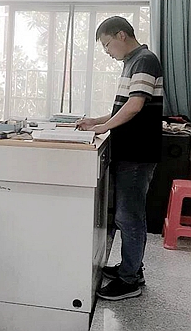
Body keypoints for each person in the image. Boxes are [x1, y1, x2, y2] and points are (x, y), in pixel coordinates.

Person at [77, 16, 163, 301]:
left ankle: (129, 281)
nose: (107, 51)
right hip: (129, 151)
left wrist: (103, 127)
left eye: (107, 44)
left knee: (129, 216)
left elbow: (136, 106)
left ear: (121, 35)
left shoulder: (144, 60)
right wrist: (96, 121)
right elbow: (123, 107)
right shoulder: (132, 62)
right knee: (127, 215)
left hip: (137, 153)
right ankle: (131, 268)